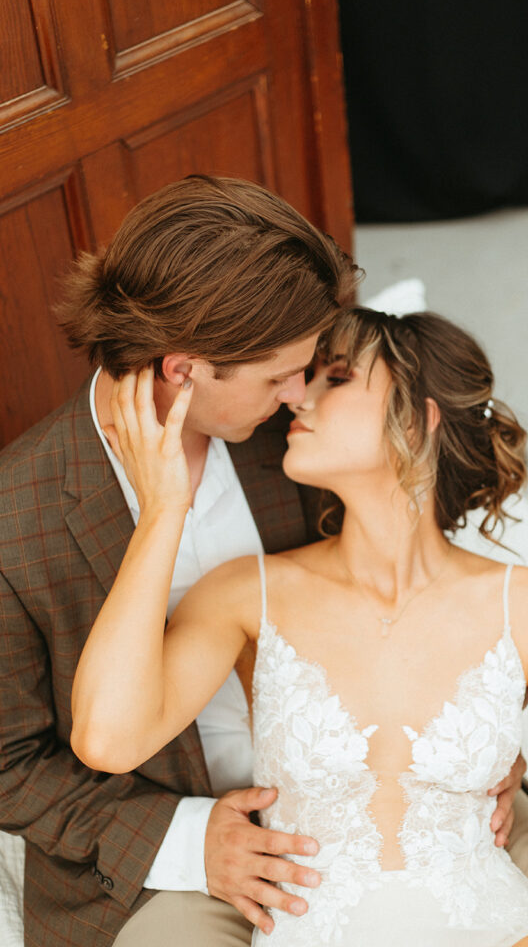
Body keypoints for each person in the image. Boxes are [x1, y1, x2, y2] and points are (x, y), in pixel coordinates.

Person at [71, 307, 528, 946]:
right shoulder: (245, 593)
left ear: (417, 417)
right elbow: (107, 739)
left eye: (338, 379)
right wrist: (165, 510)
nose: (300, 396)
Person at [0, 175, 359, 947]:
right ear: (182, 370)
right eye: (276, 377)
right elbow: (8, 765)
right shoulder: (12, 521)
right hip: (168, 847)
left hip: (358, 764)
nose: (302, 393)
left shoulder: (292, 435)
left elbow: (396, 569)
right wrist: (191, 840)